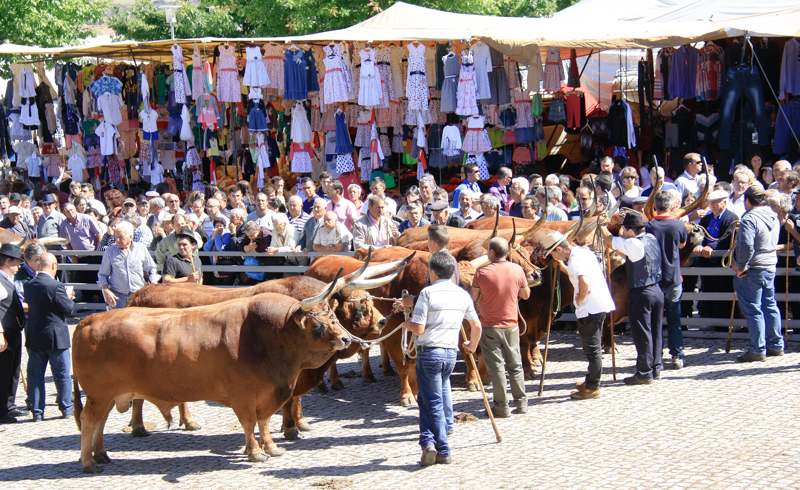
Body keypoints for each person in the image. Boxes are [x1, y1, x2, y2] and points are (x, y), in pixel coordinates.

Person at [400, 251, 481, 466]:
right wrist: (471, 346)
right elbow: (476, 325)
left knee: (432, 401)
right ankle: (427, 443)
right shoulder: (463, 294)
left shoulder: (427, 294)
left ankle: (443, 448)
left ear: (433, 273)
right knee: (428, 399)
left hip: (429, 352)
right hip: (450, 354)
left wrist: (406, 324)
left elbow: (418, 329)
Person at [544, 230, 615, 400]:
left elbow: (584, 281)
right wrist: (563, 267)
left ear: (559, 248)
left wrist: (581, 298)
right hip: (597, 306)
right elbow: (578, 274)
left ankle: (592, 387)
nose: (553, 256)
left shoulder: (576, 260)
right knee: (592, 347)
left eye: (553, 252)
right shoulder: (582, 253)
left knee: (592, 349)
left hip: (590, 308)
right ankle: (591, 380)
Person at [470, 238, 530, 417]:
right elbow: (526, 295)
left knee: (496, 368)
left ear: (492, 253)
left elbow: (472, 298)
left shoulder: (481, 272)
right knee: (515, 366)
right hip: (511, 324)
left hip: (489, 326)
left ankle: (501, 407)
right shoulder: (517, 269)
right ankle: (521, 404)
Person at [602, 212, 664, 385]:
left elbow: (609, 240)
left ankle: (644, 372)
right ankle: (656, 367)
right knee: (656, 331)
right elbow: (630, 256)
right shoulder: (651, 238)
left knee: (642, 332)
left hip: (641, 292)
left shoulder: (631, 242)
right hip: (657, 290)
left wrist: (601, 225)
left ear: (629, 230)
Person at [733, 186, 783, 362]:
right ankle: (776, 345)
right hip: (770, 265)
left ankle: (757, 349)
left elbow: (746, 245)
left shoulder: (749, 218)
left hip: (753, 268)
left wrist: (741, 266)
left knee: (753, 309)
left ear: (747, 200)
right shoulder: (773, 216)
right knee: (769, 305)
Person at [23, 253, 75, 421]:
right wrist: (69, 297)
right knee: (62, 374)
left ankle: (37, 412)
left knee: (35, 375)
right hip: (56, 337)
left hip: (36, 336)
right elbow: (68, 309)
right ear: (54, 266)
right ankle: (66, 408)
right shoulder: (56, 286)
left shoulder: (29, 285)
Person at [645, 191, 688, 370]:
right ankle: (677, 355)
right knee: (674, 319)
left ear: (655, 205)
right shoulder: (679, 225)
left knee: (655, 321)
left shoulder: (650, 226)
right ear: (672, 206)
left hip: (654, 280)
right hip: (673, 279)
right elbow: (682, 245)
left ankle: (657, 357)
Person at [98, 222, 160, 309]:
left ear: (130, 237)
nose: (117, 240)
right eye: (116, 237)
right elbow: (102, 274)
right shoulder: (110, 252)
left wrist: (153, 282)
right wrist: (106, 290)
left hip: (138, 296)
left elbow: (152, 268)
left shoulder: (141, 249)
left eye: (121, 237)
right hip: (117, 297)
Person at [0, 244, 26, 424]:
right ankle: (1, 411)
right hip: (5, 332)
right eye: (17, 262)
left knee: (13, 371)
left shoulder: (8, 279)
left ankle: (9, 405)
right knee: (3, 373)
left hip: (14, 331)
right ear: (7, 261)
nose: (19, 266)